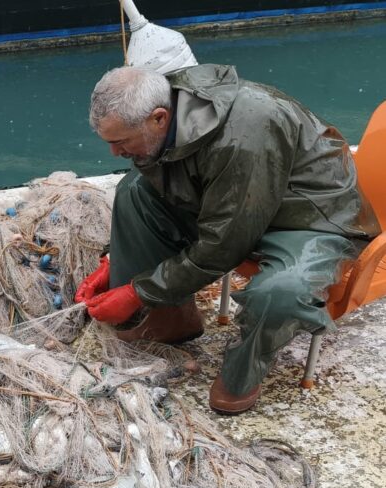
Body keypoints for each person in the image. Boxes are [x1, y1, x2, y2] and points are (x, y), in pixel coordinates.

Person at [79, 64, 380, 414]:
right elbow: (175, 190)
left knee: (281, 292)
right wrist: (114, 259)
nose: (115, 153)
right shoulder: (166, 110)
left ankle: (242, 372)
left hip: (311, 217)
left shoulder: (246, 134)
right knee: (134, 191)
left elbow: (224, 245)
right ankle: (170, 319)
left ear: (159, 118)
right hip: (241, 202)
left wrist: (137, 290)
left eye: (120, 142)